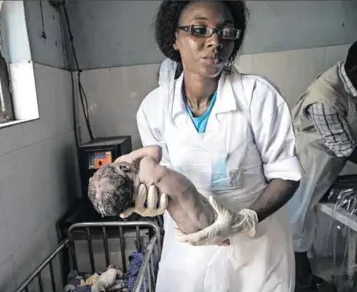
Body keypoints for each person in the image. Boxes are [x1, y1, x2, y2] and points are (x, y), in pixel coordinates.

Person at [118, 1, 302, 291]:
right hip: (189, 251)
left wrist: (245, 220)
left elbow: (286, 175)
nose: (215, 42)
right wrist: (147, 200)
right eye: (199, 30)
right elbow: (161, 179)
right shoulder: (153, 109)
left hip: (258, 251)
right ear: (173, 38)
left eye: (226, 32)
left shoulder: (257, 96)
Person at [287, 40, 357, 292]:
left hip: (326, 160)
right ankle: (301, 285)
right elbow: (346, 148)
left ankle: (303, 279)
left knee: (302, 226)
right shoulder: (324, 100)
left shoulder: (347, 74)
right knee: (295, 227)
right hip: (306, 162)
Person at [88, 145, 258, 236]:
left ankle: (222, 240)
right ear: (124, 167)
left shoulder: (143, 200)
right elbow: (156, 150)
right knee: (227, 223)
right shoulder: (147, 166)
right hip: (206, 212)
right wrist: (131, 157)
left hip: (187, 229)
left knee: (214, 234)